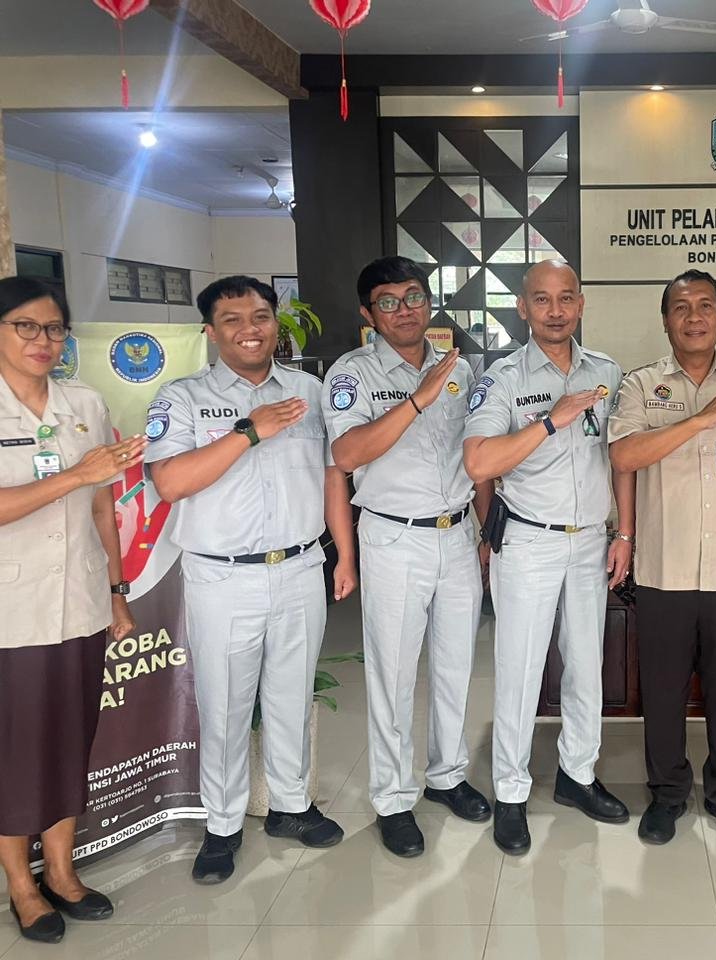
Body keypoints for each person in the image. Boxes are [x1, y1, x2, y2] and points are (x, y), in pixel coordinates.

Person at [145, 276, 357, 884]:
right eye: (233, 319)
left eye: (261, 316)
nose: (250, 329)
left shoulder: (310, 392)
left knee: (291, 696)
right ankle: (223, 825)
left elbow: (332, 477)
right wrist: (248, 432)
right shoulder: (182, 397)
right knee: (226, 705)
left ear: (275, 323)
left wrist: (344, 556)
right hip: (224, 577)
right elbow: (170, 483)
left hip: (299, 567)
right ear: (210, 332)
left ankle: (291, 805)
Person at [462, 260, 635, 856]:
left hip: (589, 541)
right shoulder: (503, 377)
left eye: (566, 299)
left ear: (581, 304)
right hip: (529, 541)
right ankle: (510, 792)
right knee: (520, 668)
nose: (555, 311)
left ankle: (576, 774)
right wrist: (550, 421)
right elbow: (479, 461)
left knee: (587, 664)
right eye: (542, 299)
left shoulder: (607, 372)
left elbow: (620, 458)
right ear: (523, 307)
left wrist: (624, 532)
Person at [609, 270, 716, 846]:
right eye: (681, 307)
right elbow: (625, 457)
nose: (694, 317)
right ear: (666, 320)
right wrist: (701, 419)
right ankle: (667, 794)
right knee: (662, 692)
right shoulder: (640, 384)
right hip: (664, 566)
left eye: (705, 306)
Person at [323, 257, 493, 858]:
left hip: (457, 534)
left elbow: (476, 455)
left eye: (414, 296)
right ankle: (394, 798)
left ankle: (447, 775)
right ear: (368, 313)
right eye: (388, 302)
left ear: (428, 301)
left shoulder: (460, 369)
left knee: (455, 665)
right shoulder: (353, 372)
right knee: (392, 674)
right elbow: (346, 454)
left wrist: (484, 530)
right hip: (395, 539)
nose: (404, 310)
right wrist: (418, 400)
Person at [0, 277, 142, 944]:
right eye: (25, 326)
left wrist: (116, 592)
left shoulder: (83, 401)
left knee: (68, 739)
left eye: (54, 328)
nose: (43, 340)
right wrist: (75, 474)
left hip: (80, 604)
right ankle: (20, 885)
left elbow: (102, 507)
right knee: (14, 749)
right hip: (12, 610)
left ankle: (60, 869)